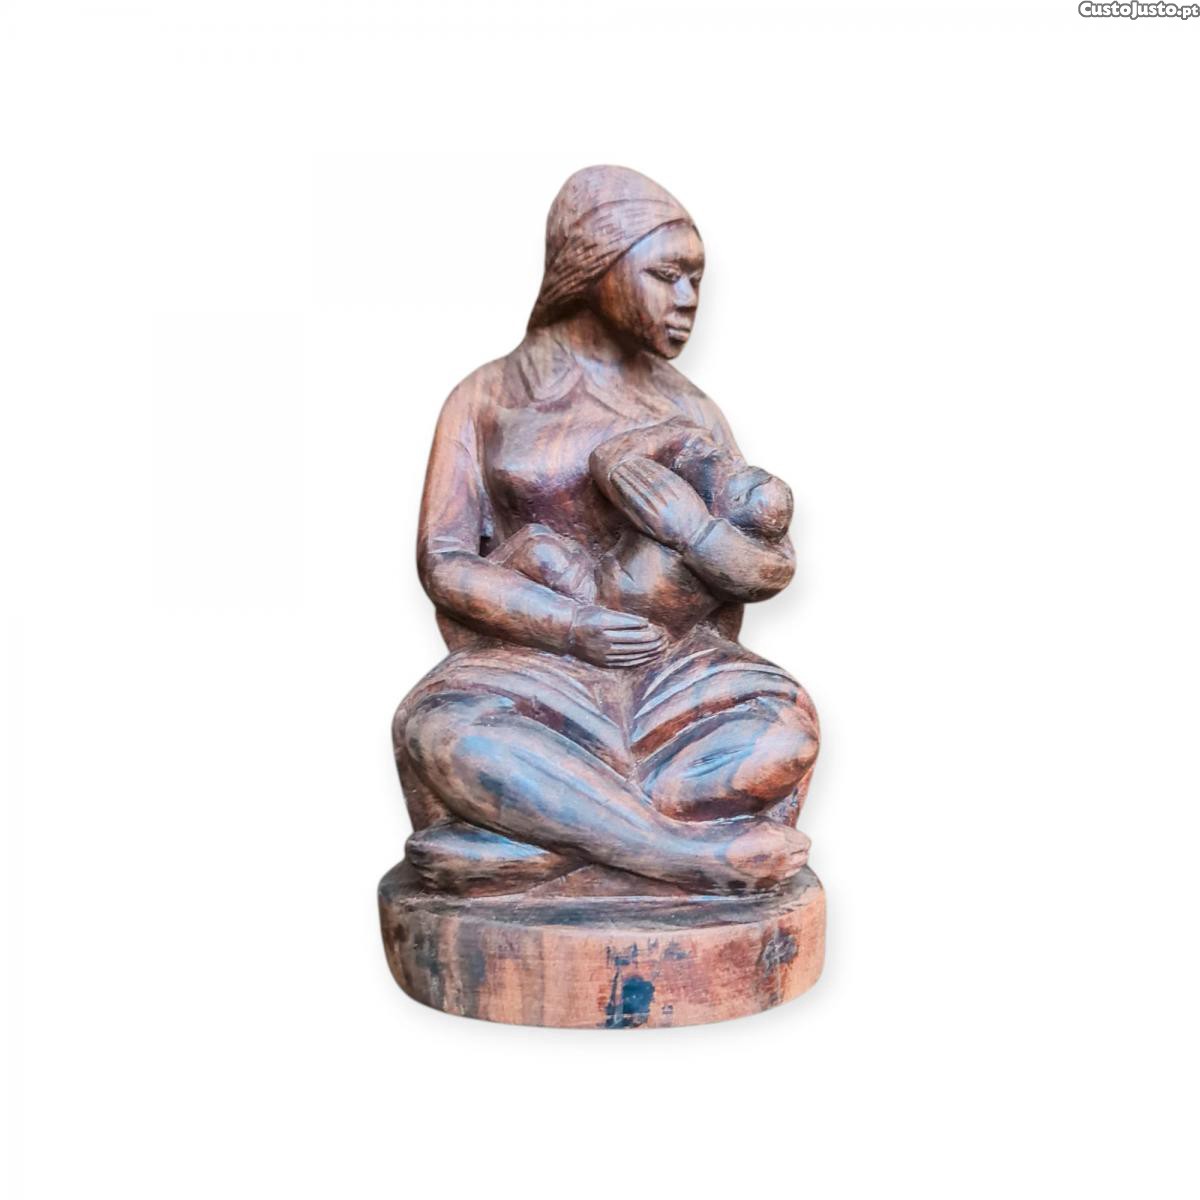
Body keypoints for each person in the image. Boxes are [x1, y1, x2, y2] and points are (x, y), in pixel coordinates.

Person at [393, 165, 819, 895]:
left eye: (696, 280)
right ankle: (680, 854)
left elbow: (753, 559)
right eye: (666, 274)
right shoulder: (489, 395)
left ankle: (536, 841)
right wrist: (570, 627)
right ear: (596, 264)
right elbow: (446, 558)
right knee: (442, 731)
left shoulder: (693, 410)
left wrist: (692, 535)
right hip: (530, 666)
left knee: (785, 730)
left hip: (672, 671)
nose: (687, 299)